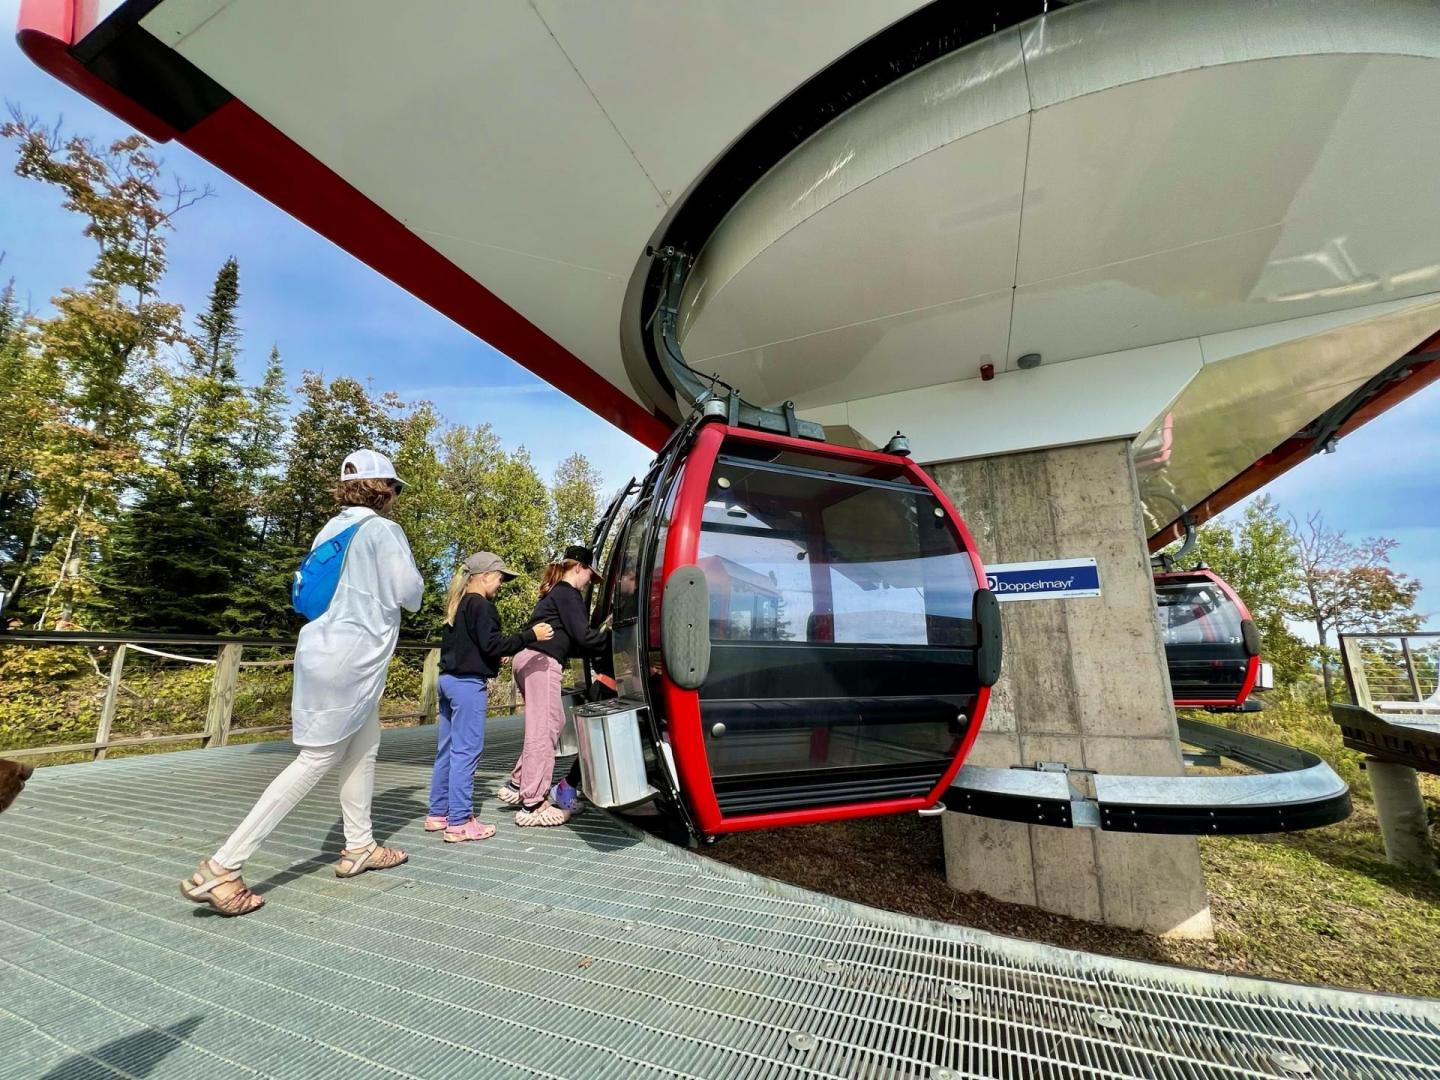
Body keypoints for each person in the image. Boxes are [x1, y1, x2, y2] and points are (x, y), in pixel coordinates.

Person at [180, 449, 424, 916]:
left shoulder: (330, 530)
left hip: (322, 648)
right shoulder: (382, 530)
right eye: (394, 487)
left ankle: (360, 847)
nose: (395, 496)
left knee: (364, 745)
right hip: (354, 656)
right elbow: (409, 595)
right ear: (383, 489)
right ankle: (223, 867)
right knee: (317, 759)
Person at [426, 552, 553, 842]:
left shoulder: (457, 606)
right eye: (499, 578)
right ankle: (459, 822)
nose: (500, 585)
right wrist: (530, 635)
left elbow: (476, 647)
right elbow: (492, 642)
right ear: (484, 576)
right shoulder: (482, 606)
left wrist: (495, 658)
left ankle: (438, 813)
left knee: (446, 750)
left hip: (447, 681)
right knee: (466, 753)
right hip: (468, 686)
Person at [497, 545, 610, 826]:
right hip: (541, 662)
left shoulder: (556, 593)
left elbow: (571, 641)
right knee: (544, 728)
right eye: (590, 577)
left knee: (552, 722)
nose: (589, 584)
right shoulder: (567, 593)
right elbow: (583, 637)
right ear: (579, 568)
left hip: (531, 658)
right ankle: (533, 803)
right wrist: (615, 641)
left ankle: (517, 784)